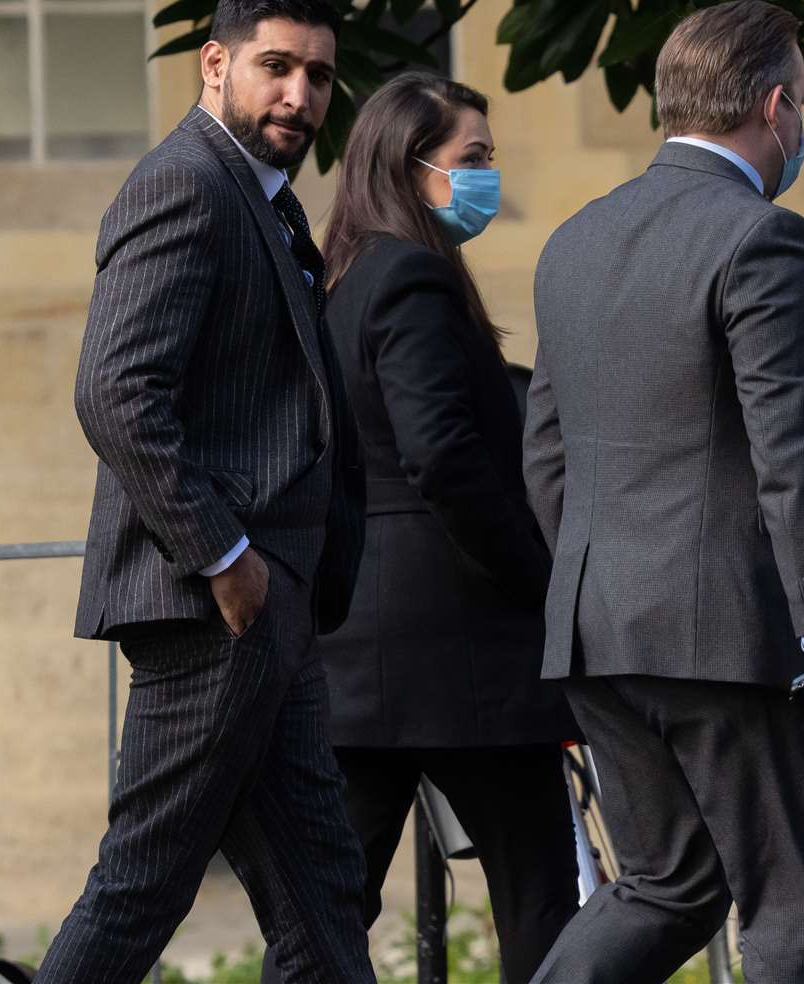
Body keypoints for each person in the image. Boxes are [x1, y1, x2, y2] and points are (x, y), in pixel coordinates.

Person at [522, 0, 804, 983]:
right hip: (729, 639)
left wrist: (609, 586)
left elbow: (545, 454)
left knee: (663, 885)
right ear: (773, 107)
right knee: (798, 909)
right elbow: (794, 457)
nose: (801, 124)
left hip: (599, 632)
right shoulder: (764, 238)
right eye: (802, 102)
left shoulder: (573, 243)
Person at [35, 0, 373, 984]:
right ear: (215, 64)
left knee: (324, 888)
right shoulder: (184, 181)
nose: (300, 95)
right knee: (142, 886)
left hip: (268, 607)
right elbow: (115, 393)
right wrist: (225, 559)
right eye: (276, 66)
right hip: (216, 604)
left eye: (317, 76)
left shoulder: (262, 200)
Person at [259, 71, 582, 984]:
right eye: (471, 158)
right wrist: (537, 579)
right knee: (538, 894)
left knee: (330, 910)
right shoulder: (412, 279)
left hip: (360, 646)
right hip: (460, 644)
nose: (486, 176)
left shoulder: (344, 275)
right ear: (411, 166)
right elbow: (443, 458)